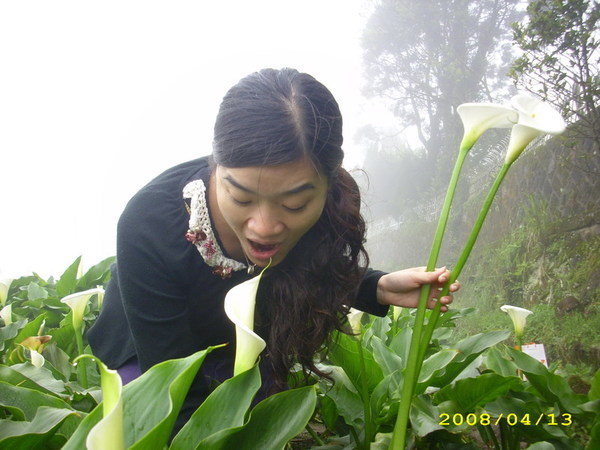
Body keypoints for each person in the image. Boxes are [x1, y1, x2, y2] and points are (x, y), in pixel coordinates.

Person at [88, 67, 459, 430]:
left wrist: (373, 287)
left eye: (294, 205)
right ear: (215, 167)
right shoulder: (149, 222)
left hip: (239, 344)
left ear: (326, 184)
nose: (264, 228)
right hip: (149, 349)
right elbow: (170, 387)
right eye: (241, 197)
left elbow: (310, 265)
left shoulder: (326, 203)